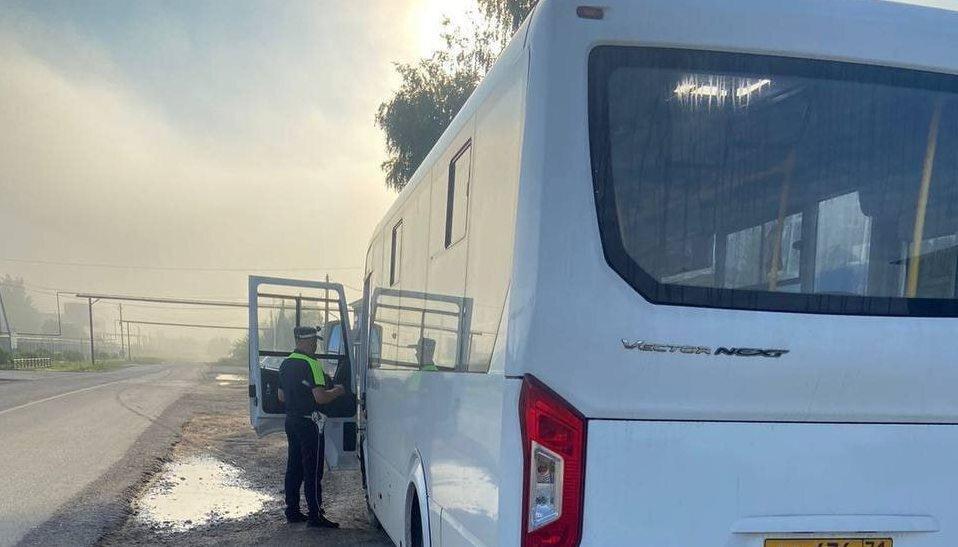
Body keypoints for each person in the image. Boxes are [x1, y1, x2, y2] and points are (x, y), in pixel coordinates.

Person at [277, 325, 346, 528]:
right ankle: (315, 516)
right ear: (307, 341)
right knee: (313, 470)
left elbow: (281, 396)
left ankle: (292, 511)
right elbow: (321, 397)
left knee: (294, 466)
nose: (316, 345)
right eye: (315, 341)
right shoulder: (311, 363)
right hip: (310, 423)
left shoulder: (286, 363)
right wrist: (339, 391)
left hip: (291, 421)